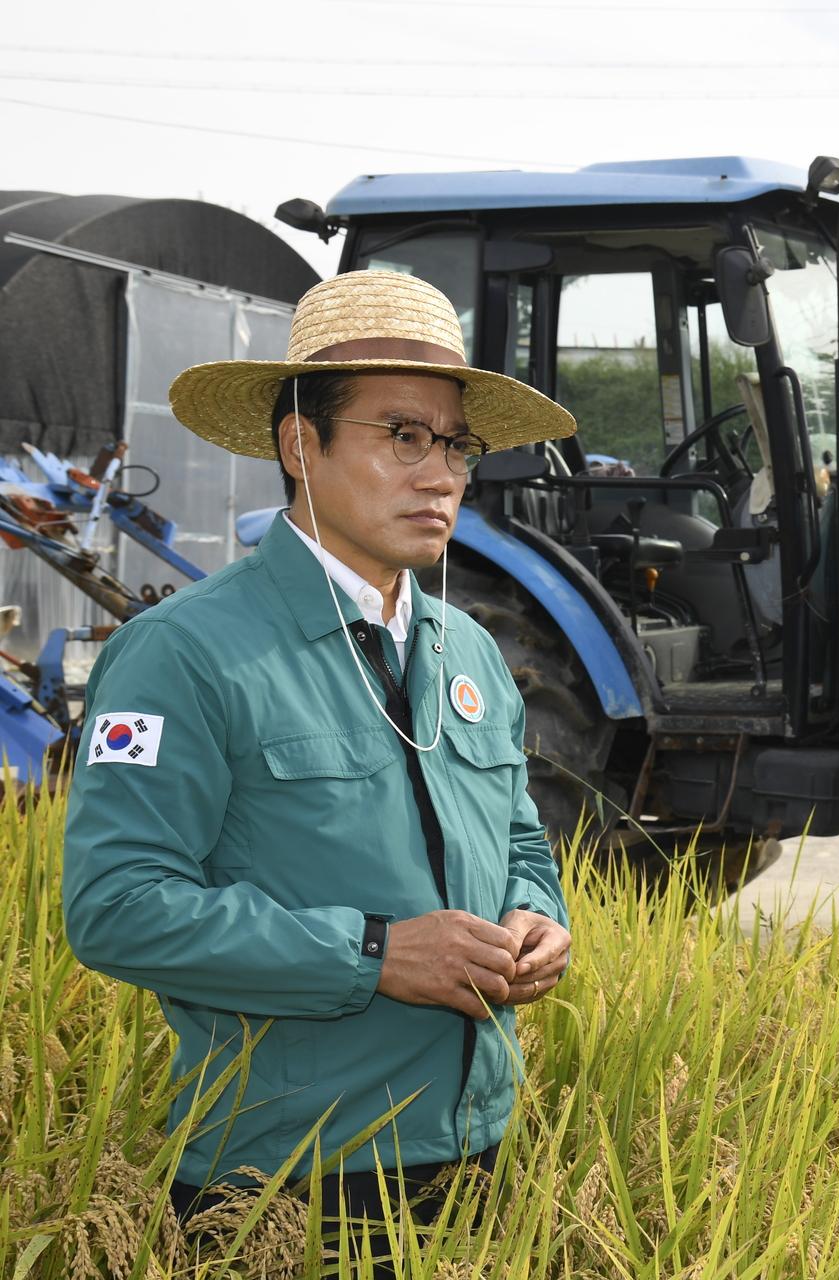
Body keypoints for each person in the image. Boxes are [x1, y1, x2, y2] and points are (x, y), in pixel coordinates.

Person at [62, 271, 579, 1242]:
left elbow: (520, 844)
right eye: (402, 434)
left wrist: (536, 919)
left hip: (478, 1154)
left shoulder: (466, 651)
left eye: (455, 442)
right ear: (302, 443)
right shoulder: (188, 652)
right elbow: (117, 908)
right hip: (291, 1188)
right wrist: (376, 952)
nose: (442, 474)